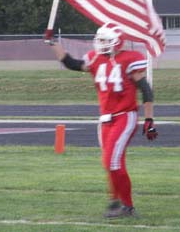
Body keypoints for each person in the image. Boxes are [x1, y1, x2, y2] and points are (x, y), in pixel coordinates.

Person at [48, 22, 158, 218]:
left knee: (112, 161)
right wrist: (53, 43)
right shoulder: (95, 59)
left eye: (106, 40)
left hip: (125, 115)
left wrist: (149, 119)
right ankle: (115, 201)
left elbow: (146, 90)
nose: (101, 44)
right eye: (99, 40)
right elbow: (71, 63)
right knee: (111, 162)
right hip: (105, 119)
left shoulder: (129, 59)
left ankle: (128, 206)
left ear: (117, 42)